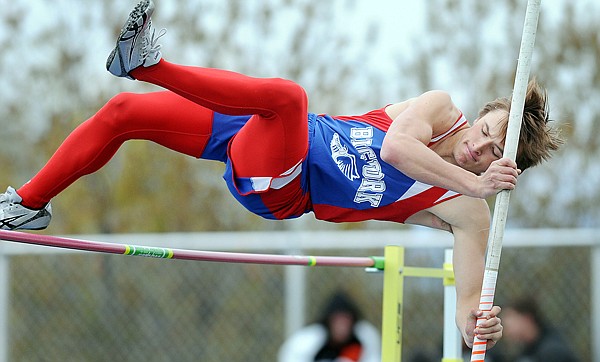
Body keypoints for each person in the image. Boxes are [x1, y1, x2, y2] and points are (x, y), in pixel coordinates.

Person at [0, 0, 562, 351]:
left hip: (284, 185)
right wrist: (472, 178)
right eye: (487, 129)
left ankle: (150, 65)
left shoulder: (467, 209)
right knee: (123, 115)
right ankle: (25, 204)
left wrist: (476, 326)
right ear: (485, 112)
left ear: (507, 170)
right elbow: (395, 148)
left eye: (492, 154)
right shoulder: (439, 108)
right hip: (265, 135)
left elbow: (467, 311)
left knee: (288, 98)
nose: (478, 147)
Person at [278, 291, 381, 362]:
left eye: (346, 320)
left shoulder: (364, 339)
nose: (342, 327)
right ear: (329, 322)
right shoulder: (308, 342)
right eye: (338, 321)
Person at [488, 298, 580, 362]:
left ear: (527, 319)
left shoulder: (552, 352)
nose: (506, 331)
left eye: (509, 324)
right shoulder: (529, 349)